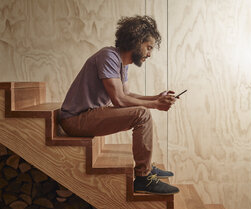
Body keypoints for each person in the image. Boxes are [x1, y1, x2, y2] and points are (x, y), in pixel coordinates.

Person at [60, 15, 179, 195]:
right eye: (148, 48)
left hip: (90, 114)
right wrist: (155, 104)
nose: (149, 54)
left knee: (143, 112)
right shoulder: (108, 56)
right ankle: (143, 178)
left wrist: (156, 97)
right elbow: (119, 100)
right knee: (142, 114)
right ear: (137, 42)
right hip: (75, 120)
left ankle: (145, 168)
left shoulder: (122, 63)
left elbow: (127, 95)